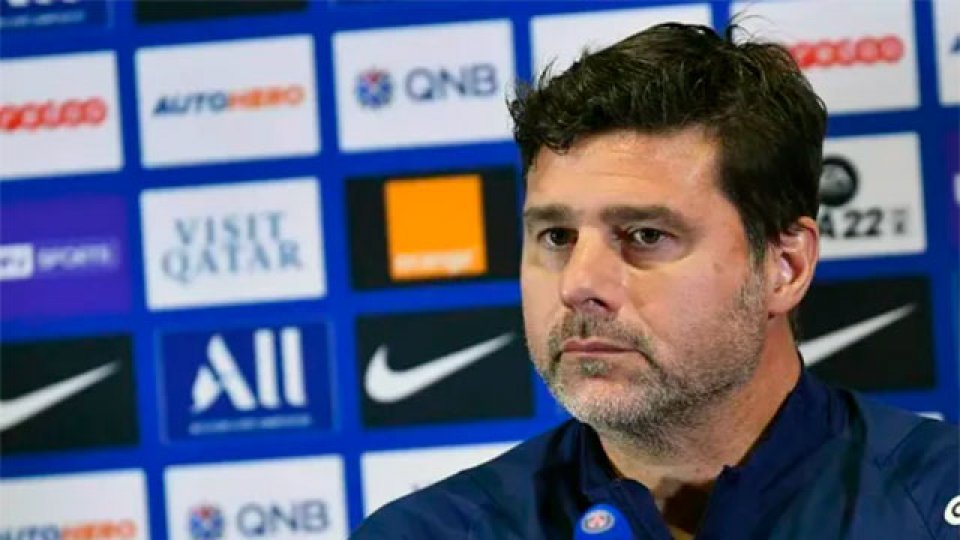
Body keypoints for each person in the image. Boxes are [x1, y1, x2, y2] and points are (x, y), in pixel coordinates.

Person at [351, 22, 959, 539]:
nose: (578, 284)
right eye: (557, 237)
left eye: (644, 235)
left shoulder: (937, 504)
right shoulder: (430, 532)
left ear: (786, 266)